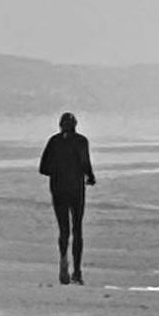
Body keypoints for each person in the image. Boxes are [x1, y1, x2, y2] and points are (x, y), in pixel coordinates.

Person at [39, 111, 95, 283]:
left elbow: (43, 168)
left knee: (64, 229)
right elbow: (85, 163)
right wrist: (90, 177)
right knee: (77, 229)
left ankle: (63, 259)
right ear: (75, 125)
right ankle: (77, 272)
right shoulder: (81, 141)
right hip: (76, 190)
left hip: (58, 189)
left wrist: (58, 171)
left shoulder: (54, 142)